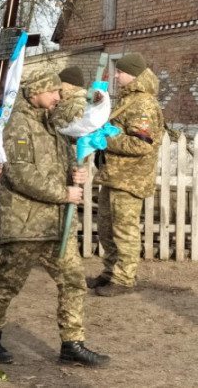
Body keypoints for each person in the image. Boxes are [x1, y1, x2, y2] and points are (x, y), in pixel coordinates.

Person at [0, 71, 110, 368]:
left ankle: (72, 343)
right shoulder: (15, 126)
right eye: (53, 92)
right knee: (8, 283)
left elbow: (65, 161)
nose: (58, 98)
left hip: (56, 225)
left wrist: (78, 173)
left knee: (74, 282)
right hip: (25, 224)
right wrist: (64, 193)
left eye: (59, 93)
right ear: (35, 92)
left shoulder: (52, 125)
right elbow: (20, 175)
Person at [88, 52, 164, 296]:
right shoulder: (127, 99)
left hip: (129, 179)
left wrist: (109, 140)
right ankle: (110, 272)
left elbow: (142, 144)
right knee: (107, 228)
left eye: (120, 72)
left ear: (133, 74)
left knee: (124, 230)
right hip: (114, 175)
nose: (116, 75)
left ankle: (124, 279)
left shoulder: (143, 104)